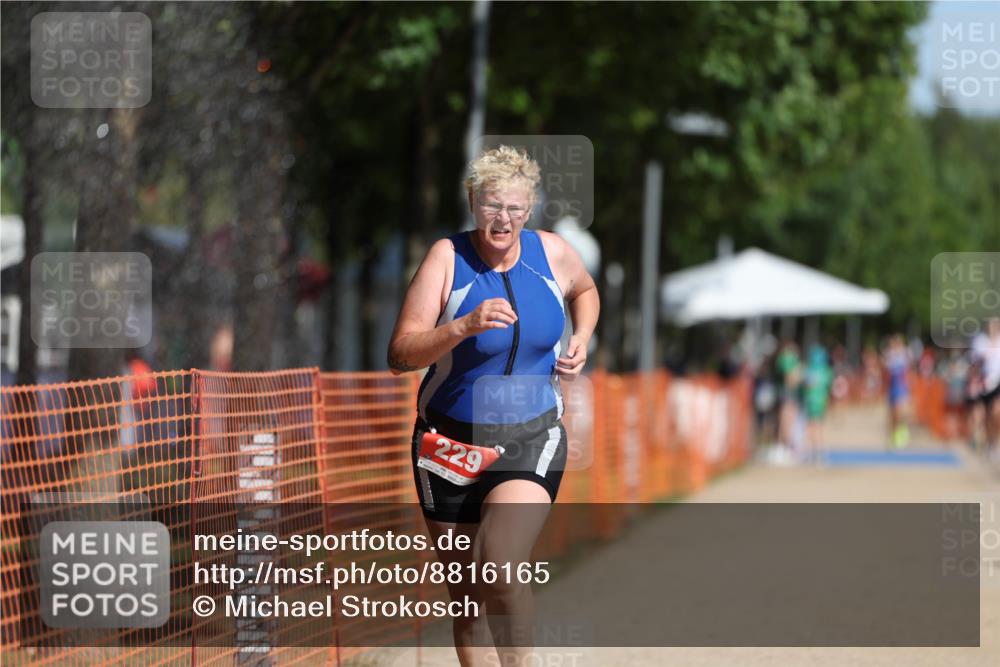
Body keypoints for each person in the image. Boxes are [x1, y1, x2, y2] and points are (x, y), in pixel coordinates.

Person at [387, 145, 599, 666]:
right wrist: (463, 326)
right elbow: (400, 353)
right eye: (490, 205)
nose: (501, 218)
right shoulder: (447, 258)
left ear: (529, 211)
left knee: (500, 568)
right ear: (473, 203)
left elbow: (585, 290)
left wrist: (584, 338)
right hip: (448, 443)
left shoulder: (552, 253)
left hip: (530, 435)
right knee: (467, 598)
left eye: (513, 208)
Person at [971, 318, 1000, 460]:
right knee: (986, 416)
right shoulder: (980, 341)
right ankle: (989, 442)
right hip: (983, 383)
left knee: (996, 412)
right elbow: (976, 363)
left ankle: (995, 442)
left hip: (998, 382)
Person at [802, 344, 833, 462]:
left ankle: (813, 451)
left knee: (811, 427)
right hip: (821, 402)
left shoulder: (810, 370)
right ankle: (819, 451)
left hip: (812, 401)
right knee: (819, 426)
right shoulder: (827, 371)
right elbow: (827, 386)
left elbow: (807, 384)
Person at [883, 334, 911, 449]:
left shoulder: (904, 354)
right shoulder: (890, 355)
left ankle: (902, 433)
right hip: (892, 388)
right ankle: (891, 437)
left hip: (901, 387)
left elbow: (907, 367)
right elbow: (886, 370)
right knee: (892, 415)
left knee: (901, 413)